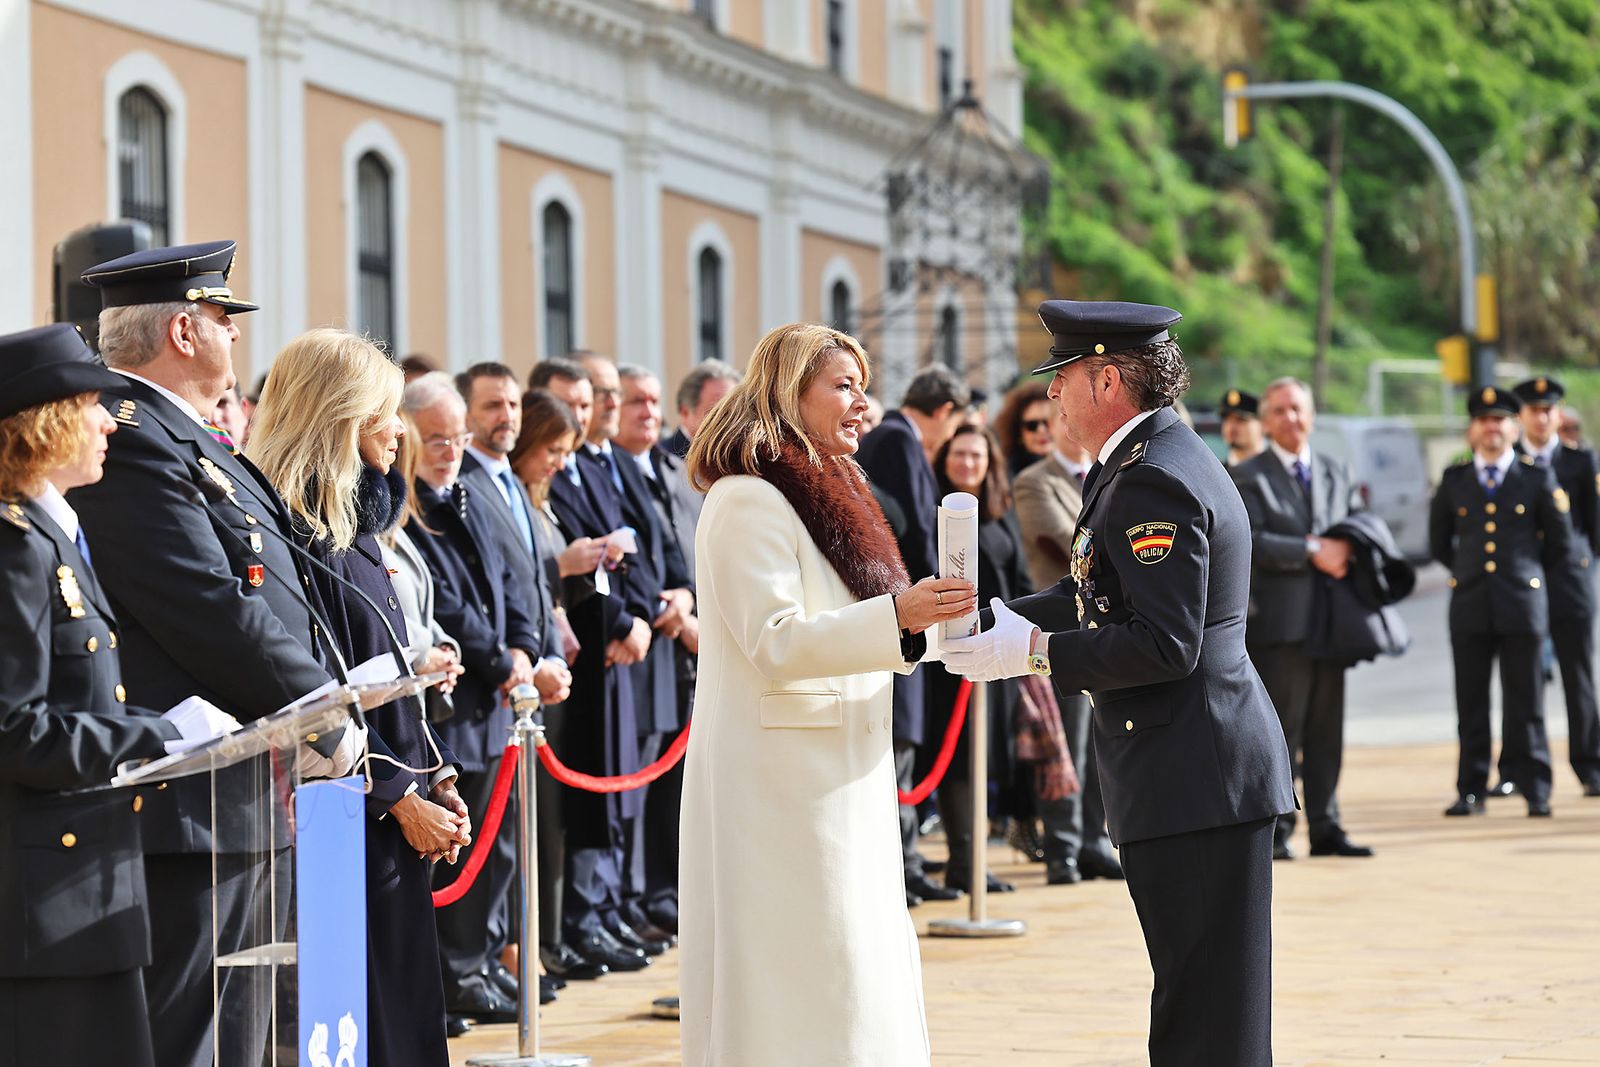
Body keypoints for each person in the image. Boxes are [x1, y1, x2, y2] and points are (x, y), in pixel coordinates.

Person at [944, 299, 1295, 1066]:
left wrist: (1034, 653)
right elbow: (1098, 590)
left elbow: (1165, 643)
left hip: (1194, 775)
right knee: (1201, 1001)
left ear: (1107, 380)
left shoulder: (1152, 482)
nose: (1052, 397)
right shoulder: (1148, 461)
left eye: (1061, 378)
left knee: (1203, 1015)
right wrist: (995, 615)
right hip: (1192, 770)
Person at [71, 240, 351, 1067]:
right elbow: (206, 604)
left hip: (240, 785)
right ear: (185, 332)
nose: (237, 338)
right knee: (192, 1031)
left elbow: (277, 590)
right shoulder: (135, 437)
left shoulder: (191, 438)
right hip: (188, 799)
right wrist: (324, 711)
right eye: (225, 320)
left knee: (241, 1028)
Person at [680, 322, 975, 1065]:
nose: (861, 403)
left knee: (851, 976)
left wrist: (932, 627)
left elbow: (864, 624)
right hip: (778, 791)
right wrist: (899, 615)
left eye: (862, 386)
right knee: (793, 986)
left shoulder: (831, 490)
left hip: (836, 780)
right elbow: (775, 639)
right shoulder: (749, 497)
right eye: (843, 385)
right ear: (788, 392)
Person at [0, 324, 239, 1066]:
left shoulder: (56, 535)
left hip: (90, 888)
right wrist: (159, 736)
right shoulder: (14, 546)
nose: (110, 420)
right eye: (93, 405)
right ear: (47, 421)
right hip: (47, 902)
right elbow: (16, 727)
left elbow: (82, 701)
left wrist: (157, 724)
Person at [248, 329, 471, 1066]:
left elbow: (384, 667)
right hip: (350, 810)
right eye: (384, 412)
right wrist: (403, 798)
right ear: (339, 415)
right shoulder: (300, 537)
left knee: (403, 1014)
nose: (398, 430)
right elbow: (314, 689)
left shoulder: (360, 528)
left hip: (393, 805)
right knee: (364, 1026)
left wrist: (435, 774)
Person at [399, 373, 554, 1027]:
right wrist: (500, 658)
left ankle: (485, 954)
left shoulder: (464, 495)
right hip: (461, 698)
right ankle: (457, 968)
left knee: (499, 842)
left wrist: (523, 647)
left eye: (455, 437)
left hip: (497, 695)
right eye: (435, 439)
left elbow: (510, 584)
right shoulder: (410, 504)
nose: (448, 450)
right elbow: (451, 605)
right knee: (463, 842)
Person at [526, 358, 654, 976]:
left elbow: (633, 550)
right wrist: (623, 619)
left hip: (604, 644)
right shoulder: (553, 475)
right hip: (579, 650)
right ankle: (573, 920)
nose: (580, 415)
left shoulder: (592, 466)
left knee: (612, 787)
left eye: (588, 402)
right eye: (570, 403)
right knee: (574, 800)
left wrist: (646, 614)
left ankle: (599, 910)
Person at [454, 361, 575, 1001]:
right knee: (487, 835)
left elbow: (530, 586)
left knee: (508, 839)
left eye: (511, 405)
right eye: (491, 406)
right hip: (490, 689)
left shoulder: (511, 485)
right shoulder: (466, 483)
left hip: (527, 682)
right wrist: (516, 661)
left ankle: (496, 953)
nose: (504, 417)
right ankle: (476, 962)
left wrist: (542, 652)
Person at [1232, 378, 1372, 860]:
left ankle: (1327, 825)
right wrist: (1313, 550)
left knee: (1326, 729)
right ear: (1266, 421)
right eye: (1280, 411)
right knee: (1282, 730)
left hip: (1332, 621)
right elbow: (1252, 540)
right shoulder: (1249, 476)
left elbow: (1355, 523)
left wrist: (1347, 549)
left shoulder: (1335, 470)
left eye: (1298, 409)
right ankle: (1279, 829)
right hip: (1281, 624)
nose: (1291, 418)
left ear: (1312, 416)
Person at [856, 364, 972, 907]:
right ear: (945, 411)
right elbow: (916, 535)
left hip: (900, 614)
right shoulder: (899, 442)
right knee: (897, 747)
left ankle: (908, 859)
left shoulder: (893, 439)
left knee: (904, 748)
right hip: (902, 612)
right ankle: (903, 863)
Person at [1429, 386, 1570, 818]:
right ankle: (1471, 789)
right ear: (1473, 429)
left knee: (1526, 703)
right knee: (1471, 704)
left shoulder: (1536, 476)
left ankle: (1536, 788)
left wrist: (1524, 575)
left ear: (1513, 426)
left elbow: (1559, 545)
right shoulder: (1456, 480)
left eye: (1500, 419)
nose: (1492, 427)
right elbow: (1439, 543)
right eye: (1484, 420)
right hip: (1470, 604)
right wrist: (1469, 571)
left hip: (1521, 603)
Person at [1009, 404, 1120, 884]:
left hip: (1106, 631)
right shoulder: (1035, 480)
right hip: (1057, 630)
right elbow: (1067, 541)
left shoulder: (1114, 474)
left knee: (1101, 740)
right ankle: (1063, 850)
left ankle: (1096, 841)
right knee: (1064, 748)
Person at [925, 423, 1031, 893]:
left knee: (988, 755)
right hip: (954, 650)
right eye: (960, 454)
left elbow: (1022, 579)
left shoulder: (1001, 512)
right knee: (959, 757)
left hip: (999, 649)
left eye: (977, 455)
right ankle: (963, 857)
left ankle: (973, 858)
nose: (968, 463)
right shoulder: (936, 512)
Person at [615, 364, 701, 936]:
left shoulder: (668, 470)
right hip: (636, 644)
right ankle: (636, 897)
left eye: (652, 401)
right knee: (636, 782)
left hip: (672, 637)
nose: (648, 412)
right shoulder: (611, 469)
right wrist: (654, 606)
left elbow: (675, 550)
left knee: (669, 779)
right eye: (634, 402)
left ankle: (661, 892)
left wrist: (685, 596)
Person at [1508, 376, 1600, 797]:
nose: (1542, 417)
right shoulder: (1507, 461)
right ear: (1522, 417)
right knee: (1521, 681)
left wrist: (1582, 570)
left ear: (1558, 415)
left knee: (1578, 677)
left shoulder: (1581, 462)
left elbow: (1594, 526)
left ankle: (1590, 764)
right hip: (1521, 586)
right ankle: (1522, 770)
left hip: (1569, 583)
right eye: (1533, 410)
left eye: (1549, 410)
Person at [664, 359, 741, 459]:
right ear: (685, 413)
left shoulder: (739, 458)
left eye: (735, 410)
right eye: (717, 411)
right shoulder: (659, 461)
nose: (730, 419)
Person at [994, 379, 1054, 478]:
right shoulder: (1006, 476)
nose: (1041, 430)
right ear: (1019, 432)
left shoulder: (1083, 465)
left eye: (1047, 422)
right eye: (1032, 425)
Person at [1221, 389, 1265, 467]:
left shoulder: (1280, 469)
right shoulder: (1217, 472)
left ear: (1262, 424)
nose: (1232, 427)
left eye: (1240, 420)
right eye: (1227, 419)